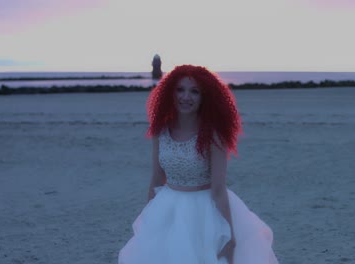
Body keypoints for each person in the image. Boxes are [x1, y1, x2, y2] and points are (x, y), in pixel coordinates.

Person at [118, 65, 278, 264]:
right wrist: (148, 218)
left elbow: (219, 189)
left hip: (206, 212)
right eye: (180, 90)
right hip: (167, 209)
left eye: (194, 91)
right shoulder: (161, 130)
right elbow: (157, 178)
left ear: (205, 97)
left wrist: (231, 237)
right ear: (170, 92)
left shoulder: (213, 135)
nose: (186, 97)